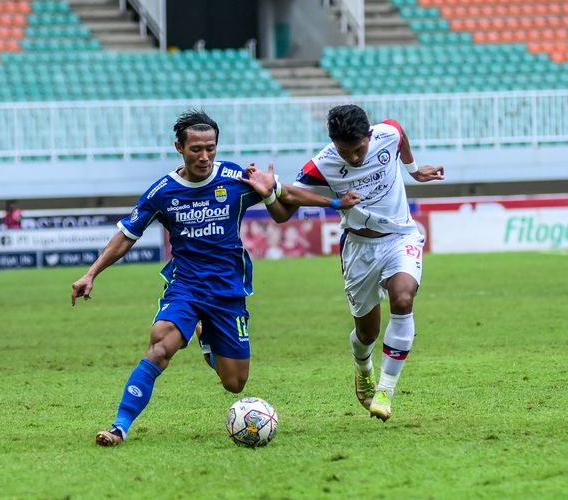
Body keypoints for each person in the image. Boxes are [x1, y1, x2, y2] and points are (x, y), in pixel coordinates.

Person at [71, 110, 360, 446]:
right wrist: (92, 273)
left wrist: (335, 202)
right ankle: (120, 427)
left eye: (211, 148)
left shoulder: (235, 179)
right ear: (179, 147)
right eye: (196, 149)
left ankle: (203, 332)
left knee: (235, 383)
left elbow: (287, 195)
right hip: (186, 287)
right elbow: (126, 235)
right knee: (160, 346)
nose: (204, 156)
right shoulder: (162, 192)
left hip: (227, 291)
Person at [251, 104, 444, 421]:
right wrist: (271, 193)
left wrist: (413, 170)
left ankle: (385, 391)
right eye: (345, 152)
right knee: (367, 334)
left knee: (403, 296)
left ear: (369, 136)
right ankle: (363, 364)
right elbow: (284, 212)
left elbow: (401, 135)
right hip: (359, 248)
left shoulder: (387, 133)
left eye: (358, 149)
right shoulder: (321, 165)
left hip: (401, 237)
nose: (353, 158)